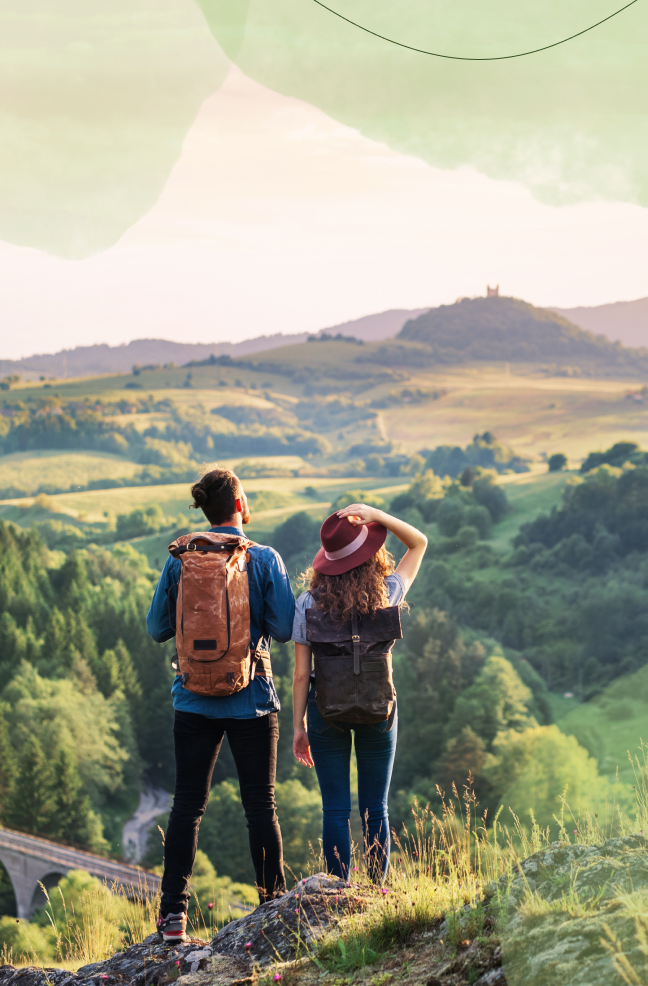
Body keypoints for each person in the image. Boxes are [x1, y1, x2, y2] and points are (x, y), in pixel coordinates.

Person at [147, 468, 295, 941]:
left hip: (192, 699)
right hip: (251, 698)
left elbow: (156, 629)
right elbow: (288, 627)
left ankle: (173, 917)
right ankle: (272, 907)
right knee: (260, 806)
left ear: (205, 509)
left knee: (187, 806)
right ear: (240, 504)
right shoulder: (264, 558)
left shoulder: (179, 560)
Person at [291, 502, 427, 883]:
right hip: (378, 710)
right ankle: (378, 889)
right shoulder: (388, 593)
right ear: (370, 556)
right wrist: (378, 515)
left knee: (335, 809)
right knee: (375, 808)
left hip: (325, 711)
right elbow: (419, 544)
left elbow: (302, 675)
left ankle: (337, 891)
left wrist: (298, 727)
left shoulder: (308, 603)